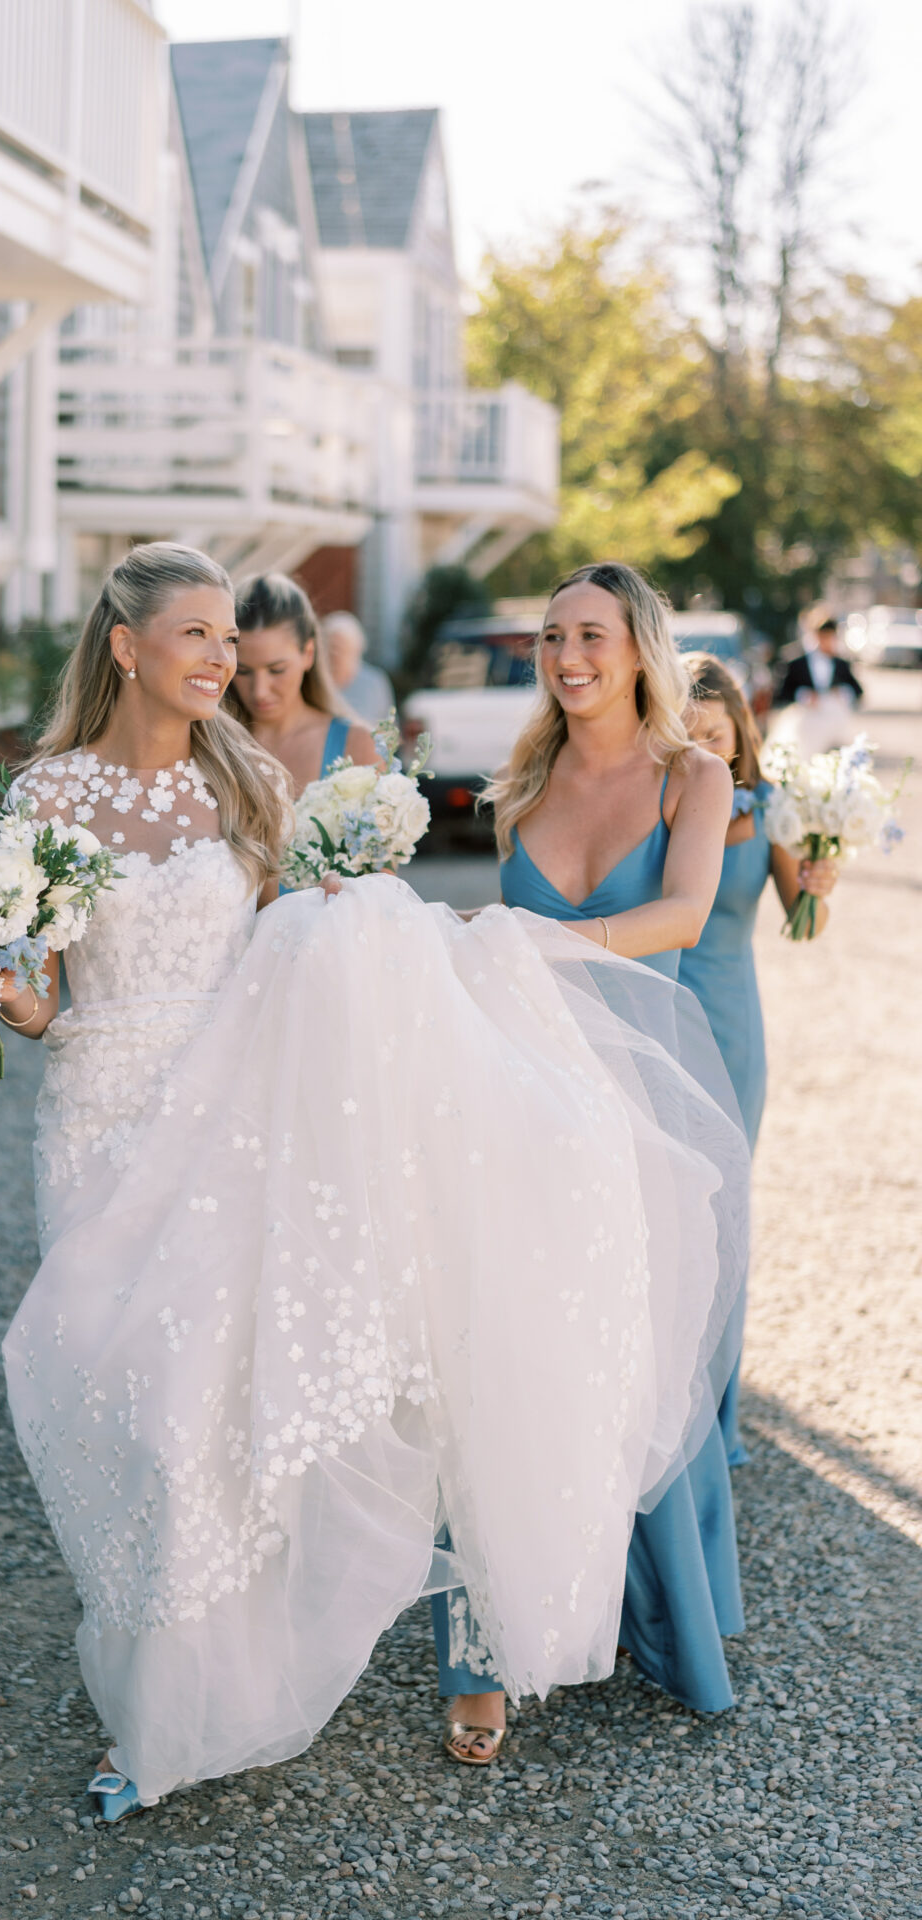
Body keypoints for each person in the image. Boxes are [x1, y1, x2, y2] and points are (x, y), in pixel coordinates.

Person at [0, 543, 747, 1818]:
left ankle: (172, 1710)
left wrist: (377, 939)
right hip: (98, 1108)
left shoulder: (249, 781)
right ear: (125, 646)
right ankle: (172, 1658)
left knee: (196, 1413)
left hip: (229, 1110)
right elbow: (41, 996)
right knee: (120, 1387)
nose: (223, 659)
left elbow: (288, 938)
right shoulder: (45, 797)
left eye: (231, 639)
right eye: (198, 636)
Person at [433, 562, 742, 1743]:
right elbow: (488, 937)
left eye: (592, 636)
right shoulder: (521, 780)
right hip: (512, 1101)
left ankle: (652, 1619)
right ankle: (482, 1655)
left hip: (630, 1116)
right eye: (553, 637)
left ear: (640, 648)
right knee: (494, 1364)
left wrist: (543, 944)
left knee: (627, 1370)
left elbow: (680, 918)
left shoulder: (692, 775)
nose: (567, 657)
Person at [682, 652, 839, 1463]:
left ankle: (716, 1417)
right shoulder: (663, 796)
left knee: (724, 1217)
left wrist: (821, 881)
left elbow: (803, 924)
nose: (705, 747)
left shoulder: (775, 807)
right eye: (689, 733)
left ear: (742, 732)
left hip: (734, 1027)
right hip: (663, 1019)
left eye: (717, 733)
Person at [228, 574, 377, 792]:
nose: (259, 691)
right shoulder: (211, 746)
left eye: (276, 670)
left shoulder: (357, 745)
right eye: (242, 671)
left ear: (308, 654)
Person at [771, 608, 863, 711]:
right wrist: (804, 696)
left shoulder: (841, 664)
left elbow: (858, 691)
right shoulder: (797, 664)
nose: (827, 642)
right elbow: (783, 694)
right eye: (823, 637)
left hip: (833, 720)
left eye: (830, 637)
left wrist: (841, 692)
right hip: (804, 720)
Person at [320, 609, 396, 727]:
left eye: (339, 649)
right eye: (329, 648)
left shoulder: (375, 682)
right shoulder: (314, 680)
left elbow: (389, 731)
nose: (334, 655)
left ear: (357, 651)